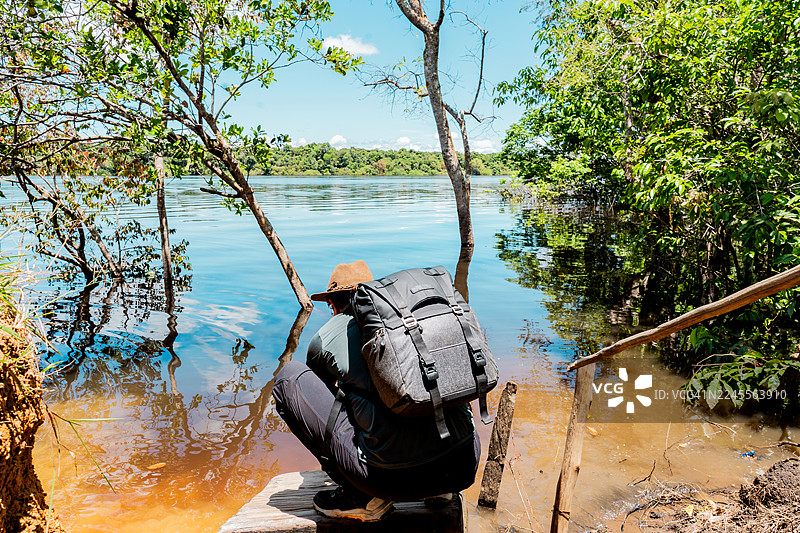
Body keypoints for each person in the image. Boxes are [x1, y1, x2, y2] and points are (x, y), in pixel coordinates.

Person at [273, 260, 481, 522]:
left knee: (288, 378)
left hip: (385, 481)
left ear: (333, 305)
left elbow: (322, 406)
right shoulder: (412, 319)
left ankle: (360, 497)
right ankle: (441, 493)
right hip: (462, 465)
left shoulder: (326, 337)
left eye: (330, 307)